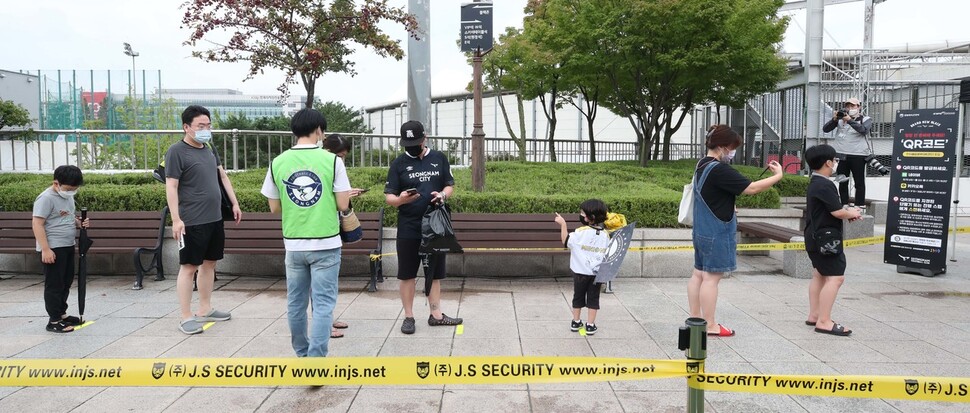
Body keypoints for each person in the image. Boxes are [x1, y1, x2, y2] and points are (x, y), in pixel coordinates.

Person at [261, 108, 351, 357]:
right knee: (323, 305)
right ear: (319, 130)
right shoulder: (333, 161)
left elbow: (274, 207)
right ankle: (316, 361)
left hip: (294, 245)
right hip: (326, 244)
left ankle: (301, 354)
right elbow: (343, 205)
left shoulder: (277, 162)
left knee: (295, 304)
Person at [688, 125, 783, 337]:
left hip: (701, 229)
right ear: (722, 147)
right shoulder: (720, 168)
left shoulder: (702, 164)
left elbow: (712, 194)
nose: (733, 152)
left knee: (698, 275)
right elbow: (752, 188)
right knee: (711, 278)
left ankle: (695, 319)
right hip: (716, 231)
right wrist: (778, 176)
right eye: (732, 148)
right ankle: (710, 325)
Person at [165, 105, 242, 335]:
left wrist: (235, 203)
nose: (206, 129)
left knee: (210, 264)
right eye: (201, 126)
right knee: (189, 267)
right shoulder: (176, 151)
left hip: (214, 218)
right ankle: (186, 316)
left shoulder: (209, 148)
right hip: (191, 221)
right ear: (186, 127)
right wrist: (176, 219)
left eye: (208, 125)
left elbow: (223, 176)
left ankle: (205, 308)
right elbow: (172, 185)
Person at [384, 120, 461, 334]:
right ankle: (408, 316)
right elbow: (389, 197)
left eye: (416, 142)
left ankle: (436, 314)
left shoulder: (439, 158)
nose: (413, 146)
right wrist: (400, 200)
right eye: (408, 143)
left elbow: (449, 184)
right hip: (408, 226)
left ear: (424, 138)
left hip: (435, 225)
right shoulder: (398, 164)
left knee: (435, 272)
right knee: (407, 273)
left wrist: (443, 195)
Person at [803, 144, 862, 337]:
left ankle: (814, 315)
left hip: (814, 237)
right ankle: (824, 321)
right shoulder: (825, 184)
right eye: (835, 159)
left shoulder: (815, 181)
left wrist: (847, 214)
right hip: (826, 240)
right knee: (836, 278)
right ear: (828, 162)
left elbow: (833, 211)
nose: (836, 162)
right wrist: (850, 212)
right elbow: (836, 211)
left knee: (819, 275)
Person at [32, 165, 90, 333]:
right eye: (69, 189)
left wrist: (80, 223)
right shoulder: (46, 198)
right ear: (56, 183)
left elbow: (67, 217)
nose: (72, 191)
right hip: (53, 247)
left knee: (66, 281)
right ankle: (54, 320)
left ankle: (62, 313)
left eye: (75, 189)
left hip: (67, 244)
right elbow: (37, 224)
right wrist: (45, 249)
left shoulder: (67, 197)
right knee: (54, 284)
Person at [321, 133, 366, 339]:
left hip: (330, 229)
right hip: (323, 231)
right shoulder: (328, 165)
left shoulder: (331, 164)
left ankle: (328, 319)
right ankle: (324, 326)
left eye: (344, 156)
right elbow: (333, 200)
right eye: (340, 155)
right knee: (323, 283)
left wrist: (347, 193)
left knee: (329, 281)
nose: (342, 160)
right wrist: (345, 196)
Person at [554, 200, 610, 335]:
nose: (581, 215)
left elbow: (566, 241)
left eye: (582, 213)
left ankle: (576, 321)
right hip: (596, 274)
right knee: (593, 298)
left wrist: (563, 224)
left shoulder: (580, 232)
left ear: (589, 217)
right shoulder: (605, 235)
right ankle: (590, 325)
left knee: (578, 296)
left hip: (579, 273)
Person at [822, 97, 874, 207]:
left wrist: (849, 120)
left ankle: (859, 203)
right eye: (848, 106)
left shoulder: (865, 119)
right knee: (842, 180)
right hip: (841, 154)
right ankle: (844, 202)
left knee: (859, 181)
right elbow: (825, 129)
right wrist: (835, 119)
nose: (850, 108)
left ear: (858, 107)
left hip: (859, 154)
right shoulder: (840, 119)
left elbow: (863, 130)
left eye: (853, 106)